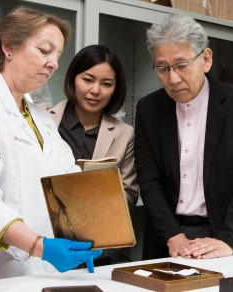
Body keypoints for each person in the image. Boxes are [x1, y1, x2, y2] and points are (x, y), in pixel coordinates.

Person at [0, 6, 102, 284]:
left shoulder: (41, 118)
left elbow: (66, 179)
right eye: (44, 50)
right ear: (8, 47)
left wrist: (95, 228)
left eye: (57, 55)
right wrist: (41, 247)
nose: (53, 63)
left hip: (38, 271)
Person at [134, 13, 233, 260]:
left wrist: (228, 240)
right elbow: (149, 180)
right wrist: (172, 236)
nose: (173, 79)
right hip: (168, 236)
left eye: (182, 66)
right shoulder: (148, 109)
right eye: (163, 68)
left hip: (227, 234)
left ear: (205, 59)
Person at [49, 44, 138, 266]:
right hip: (45, 240)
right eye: (88, 80)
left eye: (106, 84)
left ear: (115, 89)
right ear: (73, 79)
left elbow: (129, 194)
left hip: (99, 246)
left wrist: (100, 195)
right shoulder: (44, 121)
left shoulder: (124, 134)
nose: (96, 90)